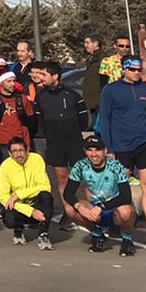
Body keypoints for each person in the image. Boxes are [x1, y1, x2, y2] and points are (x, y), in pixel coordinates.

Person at [99, 56, 146, 244]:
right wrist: (109, 148)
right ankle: (115, 221)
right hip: (121, 146)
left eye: (139, 70)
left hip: (145, 143)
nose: (137, 73)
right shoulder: (111, 90)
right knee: (119, 185)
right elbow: (105, 119)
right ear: (124, 69)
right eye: (133, 70)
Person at [29, 61, 88, 230]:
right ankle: (68, 213)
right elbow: (40, 120)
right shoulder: (41, 96)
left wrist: (74, 131)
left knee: (83, 178)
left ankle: (88, 209)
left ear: (55, 76)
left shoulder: (72, 95)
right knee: (62, 178)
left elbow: (83, 120)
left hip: (74, 141)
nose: (41, 78)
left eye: (45, 75)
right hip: (54, 142)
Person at [64, 135, 138, 255]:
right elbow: (68, 192)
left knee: (126, 212)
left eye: (97, 150)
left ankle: (127, 239)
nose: (94, 154)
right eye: (90, 150)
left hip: (115, 209)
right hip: (95, 210)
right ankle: (98, 235)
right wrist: (79, 206)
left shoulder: (115, 166)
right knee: (69, 208)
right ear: (85, 151)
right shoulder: (80, 166)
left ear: (105, 151)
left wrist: (102, 206)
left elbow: (126, 197)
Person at [0, 136, 55, 249]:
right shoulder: (5, 166)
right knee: (8, 217)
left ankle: (43, 234)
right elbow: (3, 196)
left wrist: (19, 195)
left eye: (21, 150)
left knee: (46, 196)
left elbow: (45, 186)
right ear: (9, 154)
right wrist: (31, 211)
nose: (19, 154)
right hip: (20, 207)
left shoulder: (37, 159)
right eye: (14, 151)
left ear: (27, 150)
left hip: (36, 202)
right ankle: (18, 229)